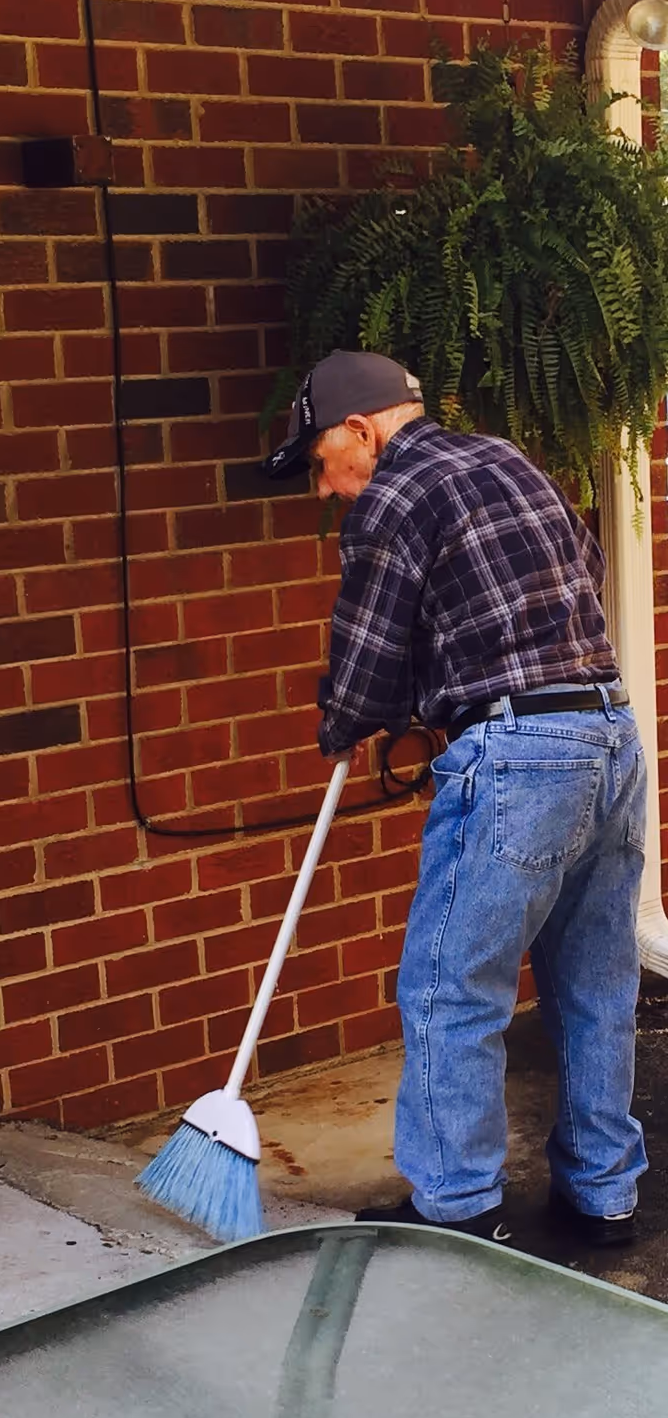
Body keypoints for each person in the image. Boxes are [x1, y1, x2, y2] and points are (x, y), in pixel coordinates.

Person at [266, 349, 647, 1247]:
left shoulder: (393, 496)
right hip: (611, 735)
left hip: (518, 758)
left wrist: (348, 720)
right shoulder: (510, 458)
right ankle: (605, 1195)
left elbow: (368, 644)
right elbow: (579, 566)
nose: (327, 490)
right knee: (595, 983)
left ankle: (457, 1212)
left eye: (322, 465)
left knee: (449, 991)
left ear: (361, 430)